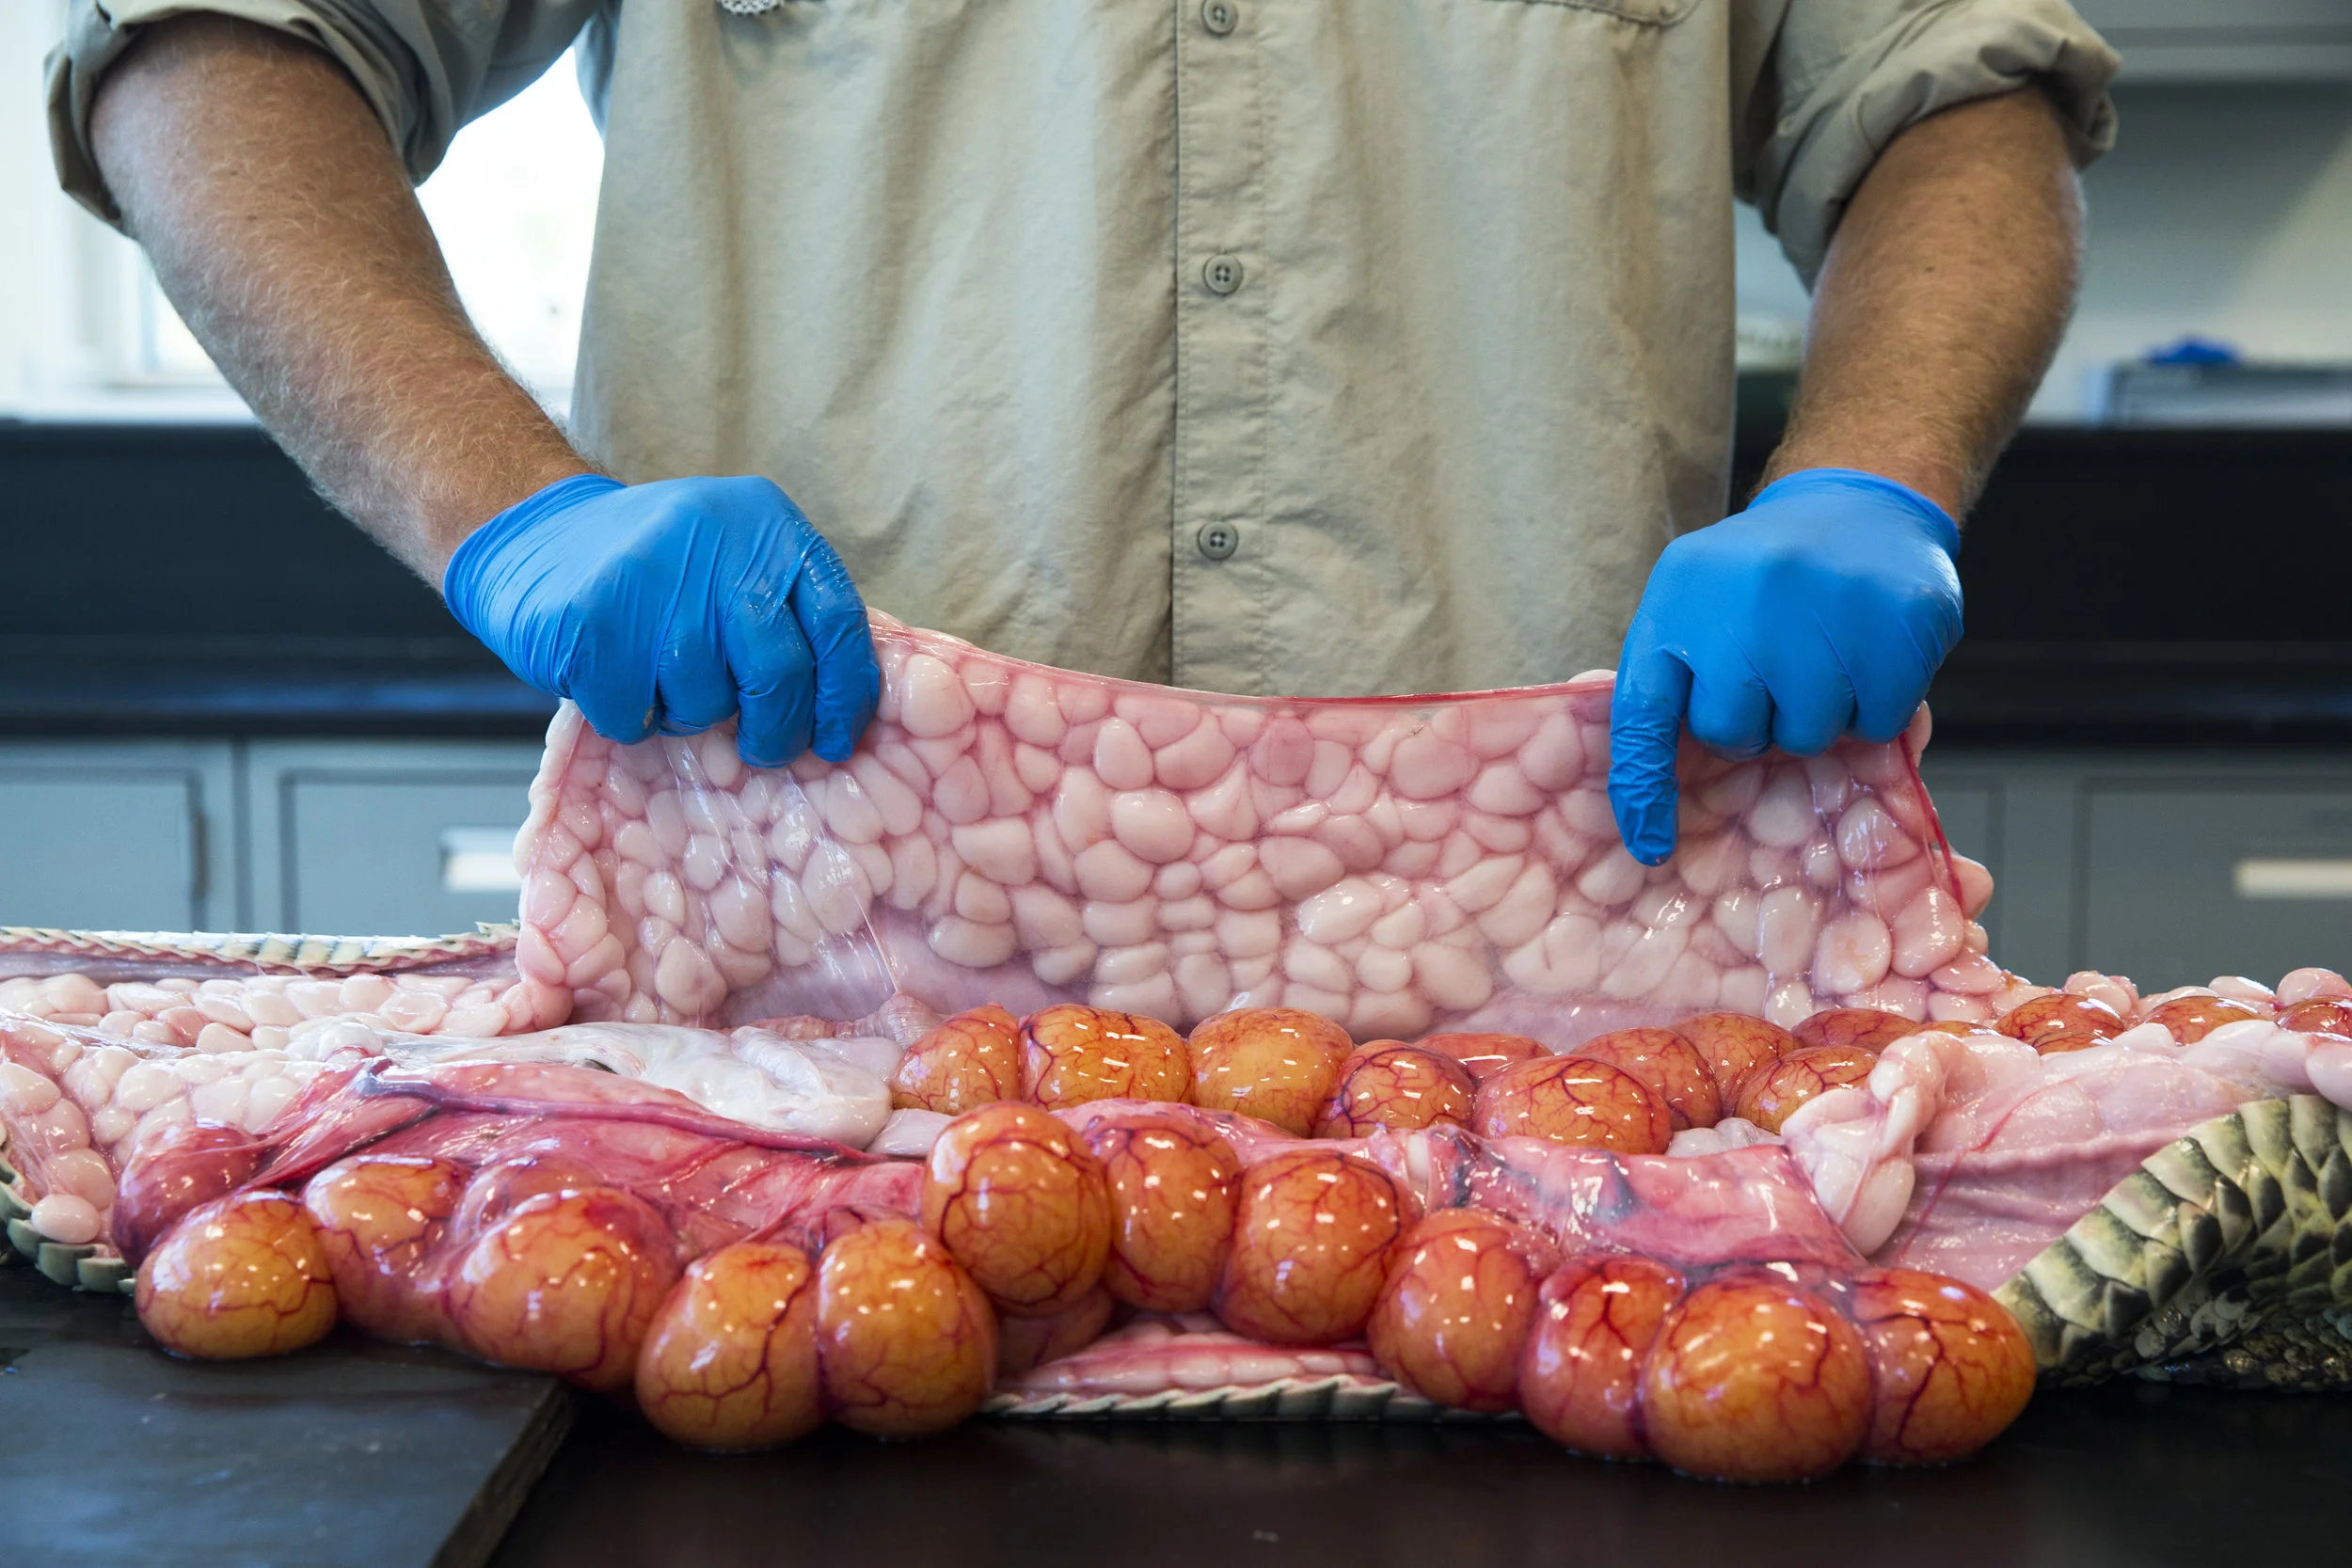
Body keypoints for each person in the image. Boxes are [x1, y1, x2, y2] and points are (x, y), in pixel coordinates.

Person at [50, 0, 2114, 864]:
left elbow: (1948, 97)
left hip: (1535, 951)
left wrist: (1873, 472)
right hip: (816, 944)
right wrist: (510, 515)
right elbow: (209, 52)